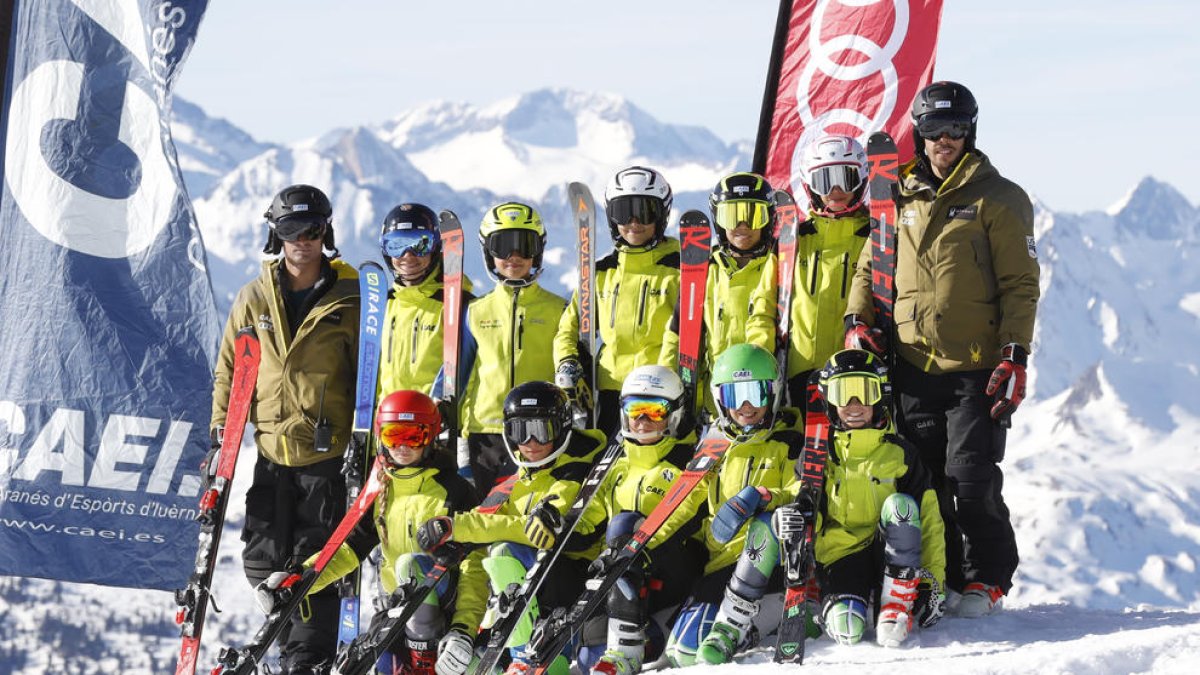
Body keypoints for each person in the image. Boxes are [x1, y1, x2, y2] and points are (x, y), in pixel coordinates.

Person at [844, 81, 1040, 617]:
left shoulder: (999, 198)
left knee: (971, 478)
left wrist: (1014, 353)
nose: (943, 140)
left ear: (969, 132)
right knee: (925, 481)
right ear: (919, 134)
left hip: (975, 367)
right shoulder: (896, 197)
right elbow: (869, 266)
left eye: (954, 129)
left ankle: (987, 579)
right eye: (932, 129)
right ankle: (944, 575)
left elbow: (1021, 284)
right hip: (910, 364)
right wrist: (856, 322)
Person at [209, 184, 359, 672]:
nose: (302, 241)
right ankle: (286, 643)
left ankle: (307, 661)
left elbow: (371, 372)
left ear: (326, 231)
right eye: (291, 230)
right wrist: (220, 434)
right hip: (271, 454)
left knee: (312, 567)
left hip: (325, 457)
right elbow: (230, 369)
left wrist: (369, 441)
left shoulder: (353, 296)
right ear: (276, 233)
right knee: (261, 557)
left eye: (312, 229)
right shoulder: (253, 297)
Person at [255, 390, 486, 675]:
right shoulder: (382, 490)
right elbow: (349, 549)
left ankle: (434, 661)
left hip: (444, 606)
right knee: (373, 663)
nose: (402, 447)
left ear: (431, 436)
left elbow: (474, 566)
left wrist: (464, 628)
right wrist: (300, 580)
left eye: (413, 436)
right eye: (393, 436)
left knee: (410, 564)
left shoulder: (455, 491)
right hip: (397, 607)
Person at [416, 381, 608, 675]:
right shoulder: (513, 484)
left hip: (574, 588)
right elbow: (477, 547)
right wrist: (464, 628)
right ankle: (473, 646)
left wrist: (461, 526)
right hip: (528, 597)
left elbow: (534, 532)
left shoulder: (577, 471)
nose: (530, 442)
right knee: (455, 556)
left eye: (541, 430)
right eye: (520, 432)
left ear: (562, 428)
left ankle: (527, 656)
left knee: (504, 547)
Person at [773, 349, 946, 648]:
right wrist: (795, 514)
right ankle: (840, 606)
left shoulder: (901, 453)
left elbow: (929, 518)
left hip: (890, 556)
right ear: (830, 399)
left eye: (865, 392)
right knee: (848, 631)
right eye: (843, 393)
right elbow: (807, 508)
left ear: (880, 395)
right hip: (842, 556)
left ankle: (895, 602)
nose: (854, 405)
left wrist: (934, 581)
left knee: (901, 507)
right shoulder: (817, 454)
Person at [663, 344, 801, 666]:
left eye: (756, 393)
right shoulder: (712, 447)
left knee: (706, 650)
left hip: (770, 563)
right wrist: (642, 541)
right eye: (735, 396)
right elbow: (682, 503)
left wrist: (764, 497)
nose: (747, 406)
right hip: (722, 563)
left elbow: (801, 493)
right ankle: (755, 623)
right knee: (682, 653)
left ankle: (752, 626)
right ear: (721, 400)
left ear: (774, 393)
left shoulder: (789, 442)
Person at [576, 365, 704, 675]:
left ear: (673, 414)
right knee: (587, 654)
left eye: (654, 412)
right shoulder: (615, 465)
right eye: (635, 410)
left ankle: (626, 652)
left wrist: (639, 541)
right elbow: (586, 522)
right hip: (625, 574)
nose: (642, 420)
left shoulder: (688, 459)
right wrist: (556, 527)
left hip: (673, 565)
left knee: (622, 526)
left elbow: (688, 515)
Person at [447, 203, 570, 500]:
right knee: (485, 509)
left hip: (540, 430)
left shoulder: (559, 310)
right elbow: (456, 372)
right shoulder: (475, 311)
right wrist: (446, 413)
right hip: (486, 432)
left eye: (523, 246)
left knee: (529, 506)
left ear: (537, 252)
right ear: (489, 252)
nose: (513, 257)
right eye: (502, 247)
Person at [554, 167, 680, 436]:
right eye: (624, 212)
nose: (634, 221)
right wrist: (567, 361)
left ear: (661, 215)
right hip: (609, 391)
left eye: (644, 211)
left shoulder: (678, 270)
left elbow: (686, 333)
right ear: (612, 217)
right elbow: (569, 327)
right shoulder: (601, 272)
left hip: (659, 391)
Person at [660, 173, 779, 416]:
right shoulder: (705, 270)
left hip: (764, 400)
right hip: (716, 403)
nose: (742, 226)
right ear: (718, 220)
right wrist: (664, 385)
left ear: (768, 219)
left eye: (752, 215)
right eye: (731, 216)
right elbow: (679, 333)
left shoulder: (779, 266)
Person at [783, 135, 872, 407]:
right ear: (810, 185)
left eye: (846, 177)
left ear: (862, 179)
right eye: (824, 180)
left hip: (853, 370)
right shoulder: (795, 239)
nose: (835, 189)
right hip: (799, 370)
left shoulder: (872, 236)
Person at [378, 203, 475, 397]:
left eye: (420, 245)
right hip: (387, 422)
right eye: (396, 245)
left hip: (435, 420)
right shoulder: (382, 306)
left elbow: (472, 369)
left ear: (436, 247)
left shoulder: (460, 305)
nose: (408, 255)